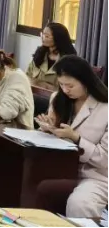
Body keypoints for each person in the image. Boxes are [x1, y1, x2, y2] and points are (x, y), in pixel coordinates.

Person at [35, 56, 109, 217]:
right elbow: (54, 137)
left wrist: (76, 138)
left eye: (70, 85)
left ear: (86, 81)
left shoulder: (105, 108)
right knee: (26, 183)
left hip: (94, 175)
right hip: (59, 166)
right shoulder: (58, 99)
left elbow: (105, 159)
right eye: (61, 84)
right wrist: (48, 129)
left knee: (79, 204)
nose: (65, 90)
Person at [26, 22, 77, 90]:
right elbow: (27, 75)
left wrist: (44, 85)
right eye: (43, 34)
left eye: (47, 36)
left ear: (58, 38)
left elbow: (69, 88)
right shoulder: (39, 54)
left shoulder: (68, 61)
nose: (43, 38)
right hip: (33, 93)